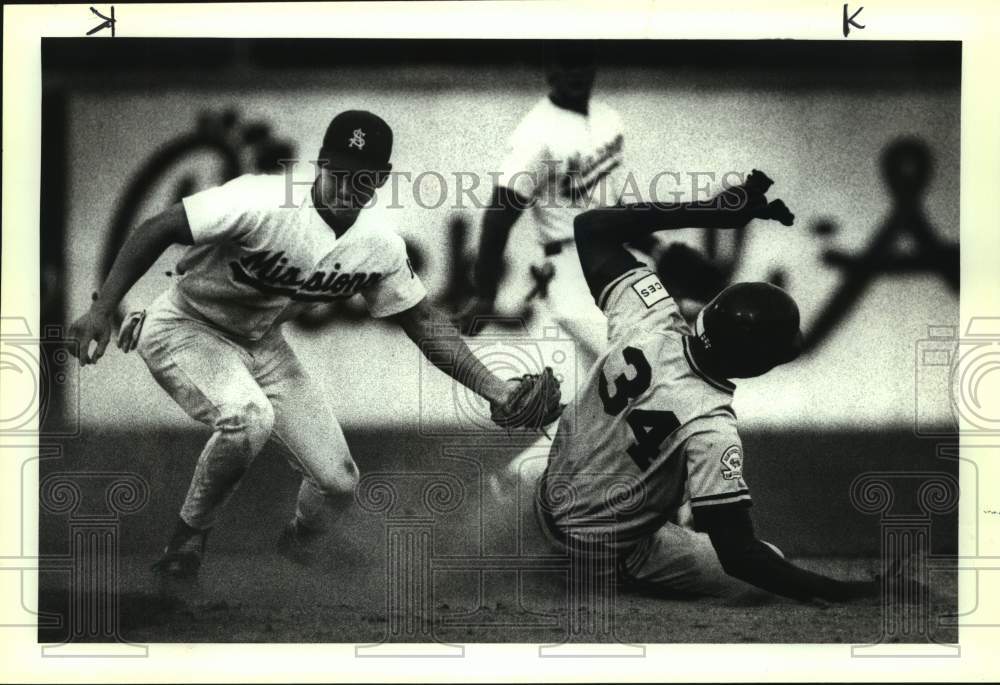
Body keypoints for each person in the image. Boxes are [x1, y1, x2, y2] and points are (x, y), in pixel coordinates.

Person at [68, 110, 523, 586]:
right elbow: (158, 227)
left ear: (382, 177)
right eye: (341, 169)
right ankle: (187, 539)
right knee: (249, 417)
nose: (350, 183)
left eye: (364, 175)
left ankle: (302, 539)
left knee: (339, 482)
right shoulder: (262, 200)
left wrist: (496, 389)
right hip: (186, 325)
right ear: (322, 162)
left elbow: (425, 324)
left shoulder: (378, 246)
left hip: (261, 344)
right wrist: (102, 309)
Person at [496, 170, 883, 602]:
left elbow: (590, 226)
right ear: (755, 363)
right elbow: (740, 556)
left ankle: (511, 522)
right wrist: (855, 593)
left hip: (543, 500)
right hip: (597, 554)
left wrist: (712, 212)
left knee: (651, 479)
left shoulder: (648, 316)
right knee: (766, 562)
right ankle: (570, 574)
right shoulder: (711, 426)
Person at [456, 44, 626, 366]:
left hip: (614, 255)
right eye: (567, 63)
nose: (575, 72)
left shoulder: (609, 118)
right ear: (550, 69)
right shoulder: (536, 135)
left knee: (608, 389)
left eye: (582, 61)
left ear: (594, 66)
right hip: (570, 265)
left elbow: (611, 201)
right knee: (631, 362)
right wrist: (485, 293)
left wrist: (657, 248)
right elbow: (499, 214)